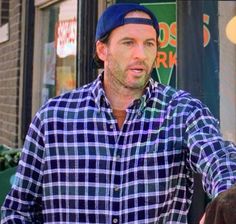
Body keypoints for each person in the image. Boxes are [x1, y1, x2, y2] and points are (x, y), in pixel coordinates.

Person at [1, 3, 236, 224]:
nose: (141, 54)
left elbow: (218, 157)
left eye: (149, 44)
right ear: (102, 50)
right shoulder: (53, 118)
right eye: (128, 43)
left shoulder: (183, 111)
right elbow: (19, 209)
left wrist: (229, 199)